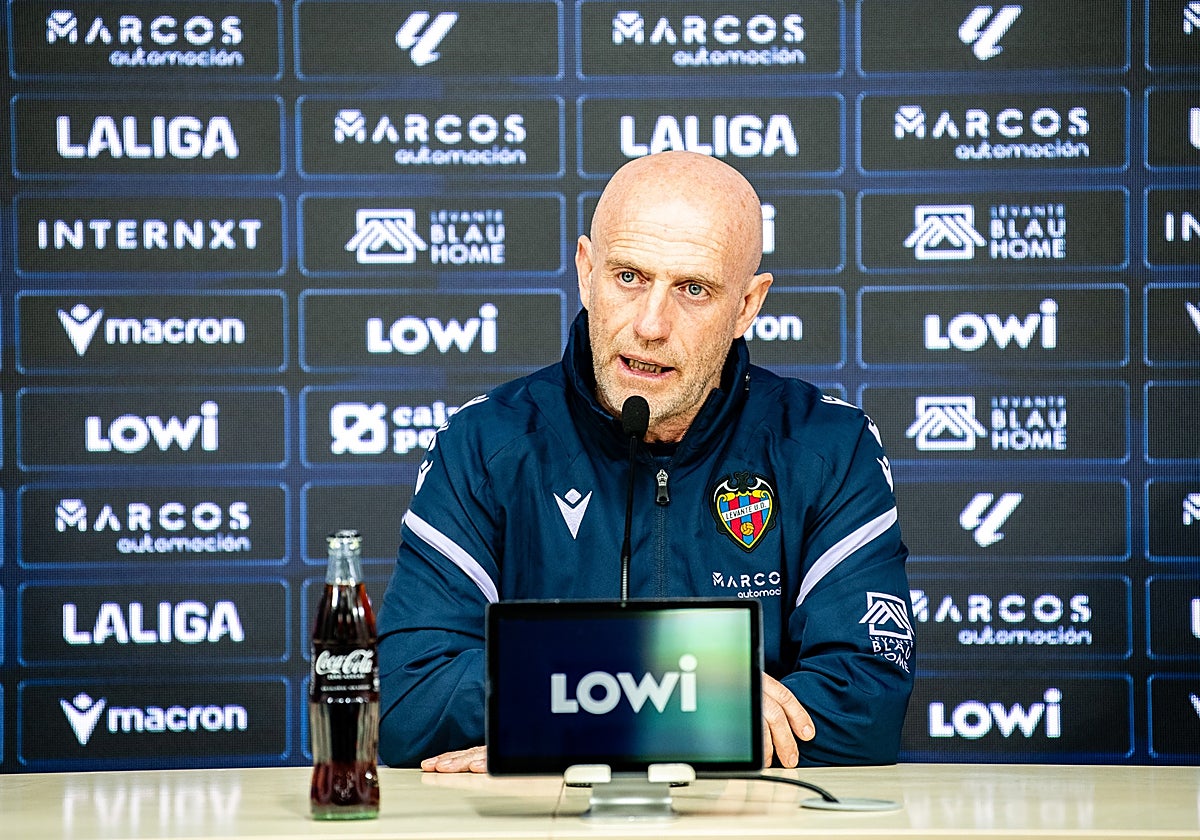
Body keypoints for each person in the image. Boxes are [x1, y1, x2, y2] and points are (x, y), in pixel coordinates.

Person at [376, 150, 914, 773]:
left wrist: (554, 718)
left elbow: (865, 704)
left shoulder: (829, 445)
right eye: (628, 277)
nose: (651, 325)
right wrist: (687, 693)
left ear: (747, 305)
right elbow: (409, 702)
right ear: (585, 272)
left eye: (693, 289)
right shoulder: (484, 444)